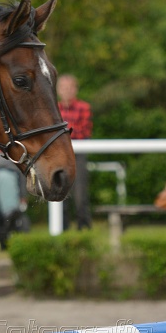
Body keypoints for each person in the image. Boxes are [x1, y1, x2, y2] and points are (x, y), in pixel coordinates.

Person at [56, 74, 92, 229]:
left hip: (77, 155)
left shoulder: (84, 107)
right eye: (63, 87)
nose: (67, 91)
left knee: (80, 194)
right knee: (60, 193)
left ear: (75, 89)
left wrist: (63, 133)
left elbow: (84, 132)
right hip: (59, 156)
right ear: (58, 90)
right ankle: (62, 228)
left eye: (70, 87)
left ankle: (83, 228)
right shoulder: (53, 108)